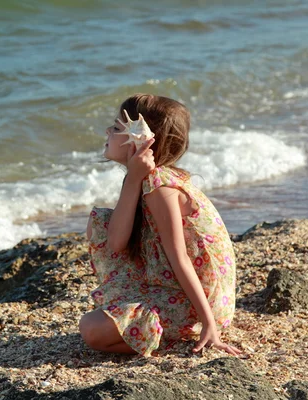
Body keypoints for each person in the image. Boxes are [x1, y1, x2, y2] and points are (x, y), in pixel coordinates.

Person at [79, 94, 241, 356]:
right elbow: (116, 243)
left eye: (118, 127)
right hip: (171, 284)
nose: (109, 130)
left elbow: (180, 259)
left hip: (199, 304)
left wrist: (209, 323)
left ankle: (170, 338)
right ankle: (155, 327)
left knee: (91, 329)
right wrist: (132, 177)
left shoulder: (161, 188)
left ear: (143, 139)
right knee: (100, 221)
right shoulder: (143, 179)